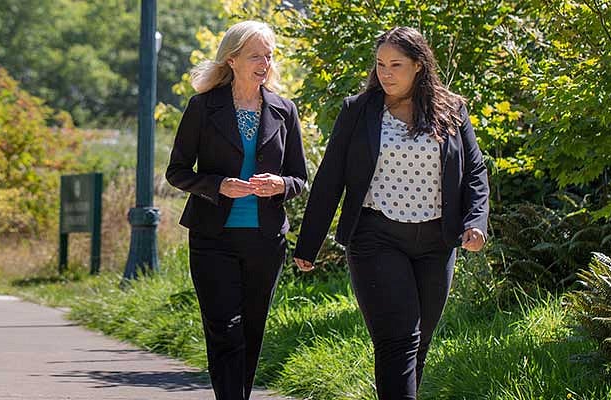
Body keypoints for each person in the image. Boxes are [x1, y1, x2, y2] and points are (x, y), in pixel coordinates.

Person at [291, 27, 490, 400]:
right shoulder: (359, 111)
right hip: (376, 237)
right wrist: (308, 244)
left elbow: (475, 171)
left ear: (418, 65)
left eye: (395, 65)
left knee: (419, 341)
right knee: (398, 338)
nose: (386, 73)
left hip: (436, 241)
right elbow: (331, 176)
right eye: (380, 64)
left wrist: (475, 222)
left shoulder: (451, 110)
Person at [165, 20, 308, 400]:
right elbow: (176, 172)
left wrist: (281, 184)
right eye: (255, 56)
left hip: (264, 240)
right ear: (232, 59)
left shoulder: (284, 110)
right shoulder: (202, 107)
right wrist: (217, 185)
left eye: (269, 56)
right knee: (224, 330)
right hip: (213, 237)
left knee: (251, 331)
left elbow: (300, 177)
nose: (264, 63)